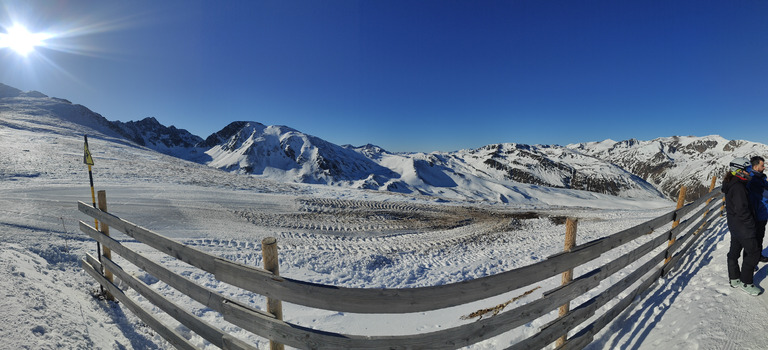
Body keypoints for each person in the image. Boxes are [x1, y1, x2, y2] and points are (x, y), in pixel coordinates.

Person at [723, 157, 763, 295]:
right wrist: (751, 224)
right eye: (747, 169)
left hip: (734, 225)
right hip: (743, 227)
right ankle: (746, 282)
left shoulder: (732, 182)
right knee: (754, 252)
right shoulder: (739, 186)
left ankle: (734, 278)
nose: (749, 171)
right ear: (739, 171)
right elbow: (742, 210)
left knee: (734, 251)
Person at [746, 156, 768, 262]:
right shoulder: (752, 179)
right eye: (762, 165)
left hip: (762, 212)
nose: (764, 167)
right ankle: (750, 262)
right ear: (755, 167)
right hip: (755, 213)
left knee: (760, 236)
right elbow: (765, 195)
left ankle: (758, 255)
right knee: (752, 239)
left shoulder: (760, 177)